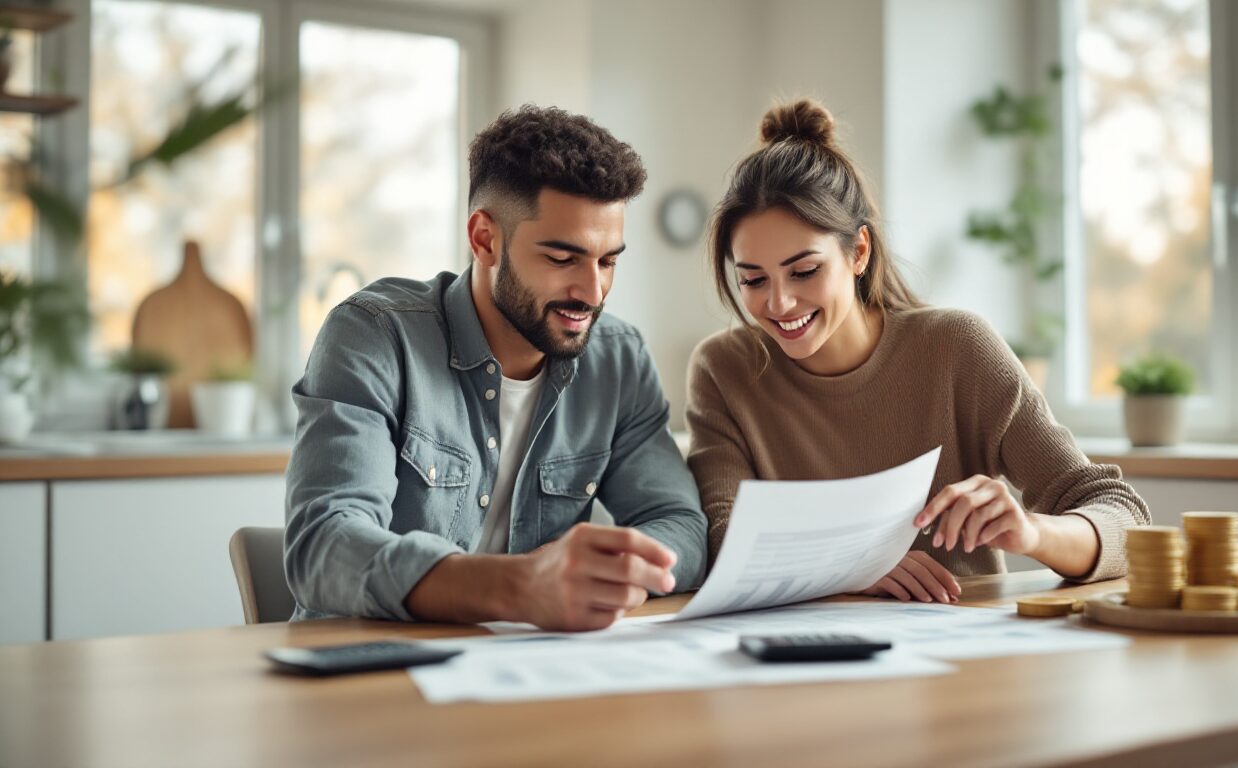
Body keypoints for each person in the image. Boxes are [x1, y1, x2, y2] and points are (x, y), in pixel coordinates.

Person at [686, 100, 1149, 603]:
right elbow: (723, 538)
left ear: (858, 251)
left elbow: (1122, 516)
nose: (778, 303)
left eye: (804, 272)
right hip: (804, 660)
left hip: (957, 654)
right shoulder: (723, 369)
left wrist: (1034, 532)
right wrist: (853, 566)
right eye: (753, 279)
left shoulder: (956, 349)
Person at [286, 106, 707, 631]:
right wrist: (522, 587)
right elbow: (324, 546)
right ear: (485, 238)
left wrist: (611, 573)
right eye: (562, 259)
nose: (592, 293)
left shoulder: (618, 359)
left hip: (531, 672)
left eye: (608, 261)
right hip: (371, 671)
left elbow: (683, 527)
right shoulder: (374, 335)